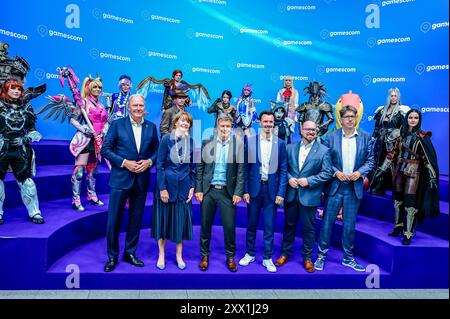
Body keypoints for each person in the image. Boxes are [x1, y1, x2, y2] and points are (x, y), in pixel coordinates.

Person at [101, 94, 159, 272]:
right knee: (114, 220)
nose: (138, 108)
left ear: (145, 107)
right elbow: (105, 149)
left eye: (141, 105)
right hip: (120, 179)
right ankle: (112, 256)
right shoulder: (118, 125)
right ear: (129, 107)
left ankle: (130, 252)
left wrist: (149, 162)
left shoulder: (151, 127)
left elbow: (157, 150)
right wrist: (124, 162)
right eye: (135, 105)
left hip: (141, 181)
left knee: (136, 219)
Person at [314, 105, 375, 272]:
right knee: (327, 223)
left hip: (354, 188)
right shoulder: (331, 137)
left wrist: (359, 173)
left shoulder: (366, 137)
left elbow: (370, 161)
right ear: (340, 119)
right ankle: (321, 256)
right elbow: (325, 161)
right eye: (346, 116)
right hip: (335, 186)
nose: (349, 119)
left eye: (352, 116)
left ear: (356, 118)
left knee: (349, 225)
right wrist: (335, 172)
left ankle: (348, 258)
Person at [275, 121, 332, 272]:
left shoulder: (323, 151)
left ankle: (307, 258)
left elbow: (327, 173)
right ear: (301, 130)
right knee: (289, 226)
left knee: (309, 229)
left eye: (313, 129)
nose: (311, 132)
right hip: (292, 195)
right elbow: (283, 168)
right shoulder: (289, 148)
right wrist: (288, 178)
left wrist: (309, 181)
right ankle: (285, 254)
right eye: (308, 129)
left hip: (309, 196)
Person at [195, 113, 245, 272]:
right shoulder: (206, 143)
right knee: (205, 225)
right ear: (216, 128)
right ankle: (204, 255)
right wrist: (199, 189)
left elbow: (242, 172)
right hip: (208, 191)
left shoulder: (238, 145)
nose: (225, 129)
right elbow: (200, 168)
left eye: (228, 126)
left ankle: (230, 257)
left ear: (231, 128)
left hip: (227, 193)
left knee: (229, 227)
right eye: (222, 126)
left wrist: (238, 192)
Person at [239, 110, 287, 273]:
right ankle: (250, 253)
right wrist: (245, 190)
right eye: (265, 122)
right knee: (251, 224)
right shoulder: (250, 142)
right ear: (259, 122)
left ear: (274, 124)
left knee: (269, 226)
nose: (268, 125)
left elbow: (283, 170)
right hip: (253, 190)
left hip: (271, 192)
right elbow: (245, 168)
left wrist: (281, 193)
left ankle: (267, 257)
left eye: (271, 122)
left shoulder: (280, 144)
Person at [382, 109, 440, 245]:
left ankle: (408, 233)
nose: (413, 120)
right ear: (407, 118)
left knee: (410, 204)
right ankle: (398, 226)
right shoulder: (400, 134)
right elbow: (393, 153)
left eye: (416, 118)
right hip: (399, 170)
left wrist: (432, 176)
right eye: (410, 117)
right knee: (397, 201)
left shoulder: (422, 137)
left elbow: (427, 159)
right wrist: (382, 169)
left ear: (419, 120)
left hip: (413, 172)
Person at [152, 111, 196, 270]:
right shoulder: (165, 139)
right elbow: (159, 165)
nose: (185, 123)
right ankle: (161, 254)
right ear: (175, 123)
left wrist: (192, 187)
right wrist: (162, 188)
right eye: (182, 121)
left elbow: (193, 168)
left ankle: (179, 255)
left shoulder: (191, 142)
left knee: (180, 223)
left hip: (184, 189)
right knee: (163, 222)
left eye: (187, 122)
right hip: (166, 188)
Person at [0, 79, 44, 224]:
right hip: (2, 148)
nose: (17, 92)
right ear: (6, 90)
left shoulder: (26, 108)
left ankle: (35, 212)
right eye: (13, 88)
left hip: (20, 149)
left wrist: (26, 139)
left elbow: (32, 130)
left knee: (28, 183)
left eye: (19, 89)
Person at [370, 88, 410, 195]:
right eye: (391, 96)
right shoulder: (381, 110)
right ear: (388, 97)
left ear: (398, 97)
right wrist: (373, 139)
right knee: (378, 163)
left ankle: (395, 190)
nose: (393, 98)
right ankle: (378, 187)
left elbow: (404, 130)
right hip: (380, 142)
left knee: (393, 165)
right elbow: (376, 127)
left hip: (394, 144)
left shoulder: (402, 111)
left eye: (395, 96)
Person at [136, 69, 210, 111]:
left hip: (180, 107)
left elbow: (185, 94)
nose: (178, 77)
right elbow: (168, 94)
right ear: (173, 76)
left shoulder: (183, 84)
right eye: (177, 75)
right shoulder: (169, 83)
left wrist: (188, 99)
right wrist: (163, 107)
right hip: (169, 105)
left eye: (179, 76)